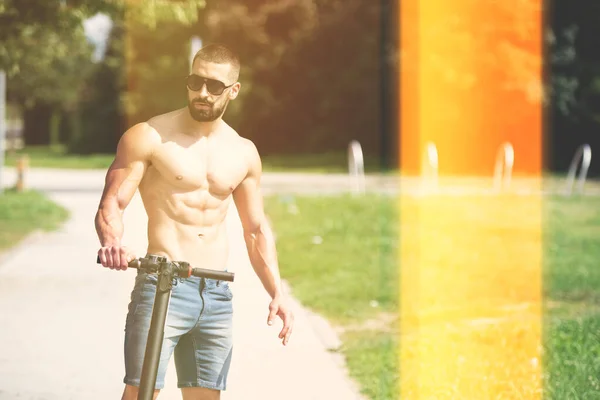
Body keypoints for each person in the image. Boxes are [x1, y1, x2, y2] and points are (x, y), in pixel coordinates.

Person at [95, 43, 294, 400]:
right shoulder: (150, 136)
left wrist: (276, 291)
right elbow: (112, 202)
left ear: (233, 90)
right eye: (195, 81)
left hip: (215, 293)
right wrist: (112, 241)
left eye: (214, 86)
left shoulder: (243, 152)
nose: (202, 93)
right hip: (162, 286)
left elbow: (255, 230)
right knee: (140, 394)